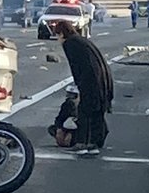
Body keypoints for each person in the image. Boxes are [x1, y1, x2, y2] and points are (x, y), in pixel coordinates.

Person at [55, 21, 113, 156]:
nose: (58, 39)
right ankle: (93, 143)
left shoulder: (70, 44)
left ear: (62, 34)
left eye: (57, 35)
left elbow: (76, 68)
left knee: (84, 111)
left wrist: (80, 88)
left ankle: (82, 143)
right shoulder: (80, 40)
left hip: (91, 80)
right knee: (96, 111)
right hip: (102, 79)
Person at [47, 84, 81, 148]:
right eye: (69, 95)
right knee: (52, 129)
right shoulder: (66, 105)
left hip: (77, 129)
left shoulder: (83, 106)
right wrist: (59, 129)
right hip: (66, 127)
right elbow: (60, 118)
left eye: (73, 96)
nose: (70, 98)